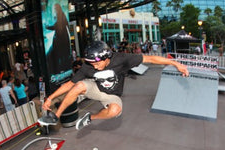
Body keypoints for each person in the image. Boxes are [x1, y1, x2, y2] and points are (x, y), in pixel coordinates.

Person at [38, 40, 189, 130]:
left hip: (112, 95)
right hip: (96, 88)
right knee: (77, 86)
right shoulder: (88, 67)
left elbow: (150, 59)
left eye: (96, 63)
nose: (93, 67)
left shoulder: (122, 59)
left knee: (114, 111)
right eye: (90, 63)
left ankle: (91, 118)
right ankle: (55, 116)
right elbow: (69, 84)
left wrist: (175, 63)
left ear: (106, 57)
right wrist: (50, 98)